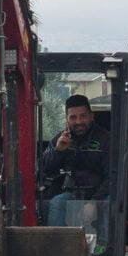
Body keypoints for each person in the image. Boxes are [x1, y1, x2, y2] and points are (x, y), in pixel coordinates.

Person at [41, 94, 110, 227]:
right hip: (72, 195)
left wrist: (93, 202)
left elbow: (112, 178)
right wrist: (58, 151)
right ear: (66, 119)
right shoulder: (60, 140)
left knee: (109, 205)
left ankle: (103, 247)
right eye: (73, 117)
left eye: (83, 116)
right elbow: (43, 170)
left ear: (92, 116)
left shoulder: (106, 140)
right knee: (56, 203)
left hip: (101, 194)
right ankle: (55, 246)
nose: (78, 122)